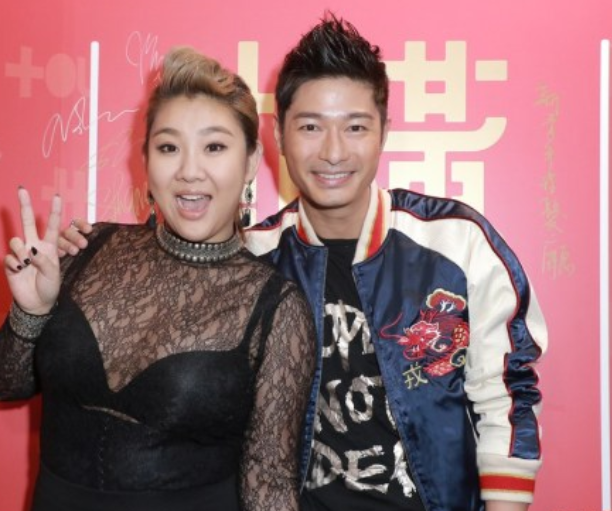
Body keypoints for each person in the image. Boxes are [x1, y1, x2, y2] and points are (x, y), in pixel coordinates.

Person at [61, 13, 548, 511]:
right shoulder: (254, 258)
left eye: (355, 127)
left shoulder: (455, 243)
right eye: (311, 127)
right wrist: (88, 255)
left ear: (384, 131)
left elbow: (507, 396)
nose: (333, 152)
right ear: (278, 135)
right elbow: (167, 274)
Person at [0, 47, 315, 511]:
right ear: (145, 158)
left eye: (214, 147)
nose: (189, 172)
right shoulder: (87, 249)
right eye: (168, 147)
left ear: (250, 160)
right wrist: (31, 312)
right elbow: (4, 384)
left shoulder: (275, 308)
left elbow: (270, 486)